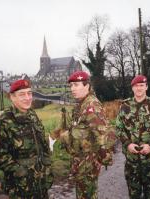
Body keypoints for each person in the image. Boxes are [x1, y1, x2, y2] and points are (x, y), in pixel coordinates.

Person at [50, 71, 116, 199]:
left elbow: (102, 135)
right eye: (71, 86)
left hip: (88, 162)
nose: (72, 89)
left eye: (76, 85)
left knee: (87, 195)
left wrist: (102, 159)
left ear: (86, 86)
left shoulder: (91, 105)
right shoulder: (82, 104)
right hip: (81, 161)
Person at [0, 79, 53, 199]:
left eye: (29, 93)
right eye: (22, 94)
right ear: (12, 97)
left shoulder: (32, 115)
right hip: (20, 188)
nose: (27, 97)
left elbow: (42, 145)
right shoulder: (4, 120)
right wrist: (20, 171)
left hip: (40, 184)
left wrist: (47, 167)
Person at [116, 75, 150, 199]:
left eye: (141, 86)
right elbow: (119, 128)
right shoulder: (124, 106)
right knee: (133, 194)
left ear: (146, 87)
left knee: (149, 193)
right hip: (131, 159)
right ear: (132, 88)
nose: (139, 89)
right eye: (136, 86)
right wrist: (127, 143)